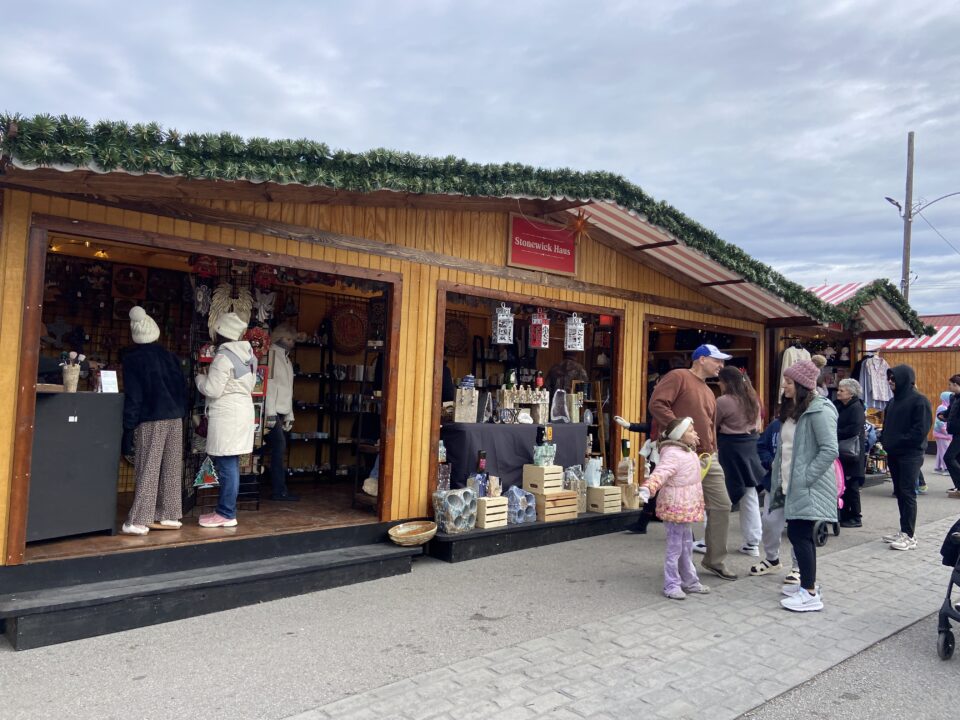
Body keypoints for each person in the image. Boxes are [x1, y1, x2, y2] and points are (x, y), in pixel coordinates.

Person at [649, 343, 737, 581]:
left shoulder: (709, 391)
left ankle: (714, 560)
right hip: (682, 454)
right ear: (701, 359)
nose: (721, 365)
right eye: (717, 360)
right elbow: (657, 404)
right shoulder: (679, 376)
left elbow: (710, 425)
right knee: (681, 511)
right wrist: (681, 430)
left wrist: (714, 449)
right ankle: (680, 568)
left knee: (721, 504)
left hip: (708, 456)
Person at [771, 360, 839, 612]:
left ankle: (809, 592)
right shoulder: (793, 409)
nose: (784, 386)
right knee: (799, 535)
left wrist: (806, 478)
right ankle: (806, 586)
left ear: (801, 385)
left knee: (800, 536)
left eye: (788, 382)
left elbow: (829, 449)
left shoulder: (820, 410)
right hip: (793, 483)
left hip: (806, 485)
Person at [119, 306, 188, 535]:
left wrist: (128, 426)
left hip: (151, 418)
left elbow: (134, 397)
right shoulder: (171, 357)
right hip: (175, 417)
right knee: (171, 465)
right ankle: (169, 514)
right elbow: (183, 389)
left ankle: (138, 519)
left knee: (148, 466)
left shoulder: (133, 360)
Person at [637, 417, 710, 600]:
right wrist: (648, 487)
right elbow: (660, 473)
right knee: (675, 548)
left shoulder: (687, 451)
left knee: (686, 546)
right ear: (679, 436)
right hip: (675, 506)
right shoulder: (673, 454)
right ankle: (672, 584)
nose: (695, 434)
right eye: (691, 431)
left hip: (684, 506)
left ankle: (690, 581)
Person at [195, 312, 257, 529]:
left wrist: (199, 378)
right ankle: (225, 510)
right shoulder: (249, 355)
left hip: (227, 414)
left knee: (227, 464)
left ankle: (226, 512)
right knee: (231, 463)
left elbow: (212, 389)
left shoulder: (223, 357)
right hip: (243, 411)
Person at [880, 364, 932, 550]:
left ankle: (909, 535)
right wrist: (884, 438)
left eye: (894, 378)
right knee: (900, 492)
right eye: (889, 378)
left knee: (908, 492)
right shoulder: (893, 402)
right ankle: (904, 530)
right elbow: (887, 425)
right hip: (894, 452)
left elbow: (920, 431)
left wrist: (897, 441)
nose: (890, 382)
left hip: (910, 454)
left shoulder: (920, 401)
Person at [715, 366, 764, 557]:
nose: (718, 384)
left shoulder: (723, 401)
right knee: (749, 495)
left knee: (717, 494)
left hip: (729, 448)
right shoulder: (753, 398)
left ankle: (710, 540)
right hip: (749, 447)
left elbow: (714, 424)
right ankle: (753, 542)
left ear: (727, 382)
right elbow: (758, 425)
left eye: (720, 381)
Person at [749, 409, 800, 582]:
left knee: (798, 528)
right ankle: (772, 559)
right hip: (774, 483)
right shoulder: (775, 425)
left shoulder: (806, 425)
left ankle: (798, 566)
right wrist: (769, 461)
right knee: (769, 522)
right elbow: (761, 445)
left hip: (797, 486)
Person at [263, 323, 298, 501]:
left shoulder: (286, 358)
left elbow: (288, 389)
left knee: (274, 448)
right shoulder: (272, 355)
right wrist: (269, 412)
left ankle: (274, 487)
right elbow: (269, 385)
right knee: (278, 448)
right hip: (273, 410)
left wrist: (290, 414)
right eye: (288, 338)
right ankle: (279, 490)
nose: (291, 342)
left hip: (281, 410)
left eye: (292, 339)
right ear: (279, 337)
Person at [835, 378, 866, 528]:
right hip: (843, 451)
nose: (838, 392)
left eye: (842, 390)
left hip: (852, 452)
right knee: (844, 484)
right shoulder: (842, 406)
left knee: (852, 484)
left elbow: (853, 429)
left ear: (851, 393)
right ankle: (845, 513)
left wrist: (835, 433)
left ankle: (855, 516)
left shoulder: (856, 408)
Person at [938, 375, 960, 498]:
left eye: (950, 384)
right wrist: (942, 415)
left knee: (949, 458)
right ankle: (958, 487)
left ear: (956, 385)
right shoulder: (954, 398)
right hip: (955, 433)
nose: (949, 387)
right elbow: (949, 412)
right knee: (956, 459)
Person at [933, 390, 953, 474]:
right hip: (942, 434)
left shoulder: (944, 407)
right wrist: (946, 433)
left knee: (941, 450)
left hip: (940, 434)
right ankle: (946, 468)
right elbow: (940, 423)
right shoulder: (943, 408)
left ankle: (938, 467)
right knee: (945, 450)